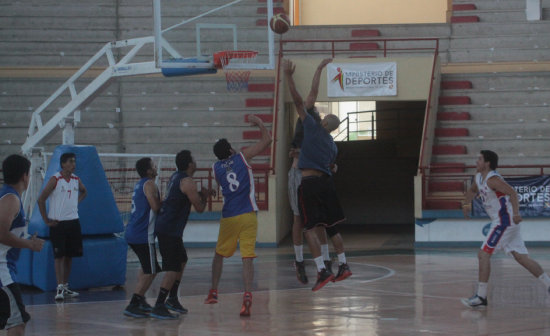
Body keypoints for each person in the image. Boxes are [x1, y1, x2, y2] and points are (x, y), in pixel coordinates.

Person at [284, 58, 352, 291]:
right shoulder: (333, 144)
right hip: (327, 183)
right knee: (331, 226)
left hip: (308, 180)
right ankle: (343, 264)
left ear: (322, 121)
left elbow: (299, 97)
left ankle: (319, 268)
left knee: (307, 225)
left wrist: (289, 76)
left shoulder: (311, 126)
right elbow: (332, 167)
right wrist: (320, 69)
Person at [461, 150, 550, 308]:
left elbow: (513, 193)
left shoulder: (493, 179)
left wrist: (516, 213)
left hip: (504, 222)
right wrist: (467, 203)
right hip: (504, 222)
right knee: (521, 258)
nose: (476, 162)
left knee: (483, 255)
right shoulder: (478, 177)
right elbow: (473, 190)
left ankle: (481, 296)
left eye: (479, 159)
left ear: (487, 163)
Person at [204, 115, 272, 317]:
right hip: (248, 213)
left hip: (229, 216)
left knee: (219, 255)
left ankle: (213, 292)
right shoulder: (242, 157)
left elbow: (220, 185)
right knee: (247, 257)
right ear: (231, 149)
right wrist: (259, 123)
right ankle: (248, 295)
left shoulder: (216, 168)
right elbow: (267, 140)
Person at [151, 150, 215, 320]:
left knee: (182, 260)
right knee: (172, 268)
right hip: (169, 229)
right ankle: (159, 305)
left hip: (168, 227)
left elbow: (186, 198)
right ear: (189, 164)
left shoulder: (176, 177)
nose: (196, 161)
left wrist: (202, 195)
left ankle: (172, 298)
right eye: (193, 159)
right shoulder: (188, 182)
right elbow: (200, 208)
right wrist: (206, 196)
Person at [0, 154, 44, 336]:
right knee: (17, 323)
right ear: (25, 176)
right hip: (2, 273)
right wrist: (29, 245)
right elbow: (1, 233)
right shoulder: (11, 199)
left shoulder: (6, 196)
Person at [37, 152, 87, 301]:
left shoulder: (76, 179)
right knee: (59, 256)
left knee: (69, 256)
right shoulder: (55, 179)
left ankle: (65, 286)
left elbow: (85, 192)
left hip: (73, 222)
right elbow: (41, 200)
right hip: (58, 223)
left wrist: (75, 203)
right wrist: (46, 220)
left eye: (74, 161)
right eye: (71, 161)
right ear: (63, 164)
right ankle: (59, 287)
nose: (73, 164)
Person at [123, 158, 162, 318]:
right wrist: (166, 203)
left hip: (133, 232)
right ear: (148, 171)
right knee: (152, 270)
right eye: (153, 166)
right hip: (143, 234)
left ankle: (141, 300)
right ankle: (134, 303)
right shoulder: (149, 184)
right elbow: (155, 207)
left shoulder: (140, 184)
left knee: (146, 267)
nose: (155, 167)